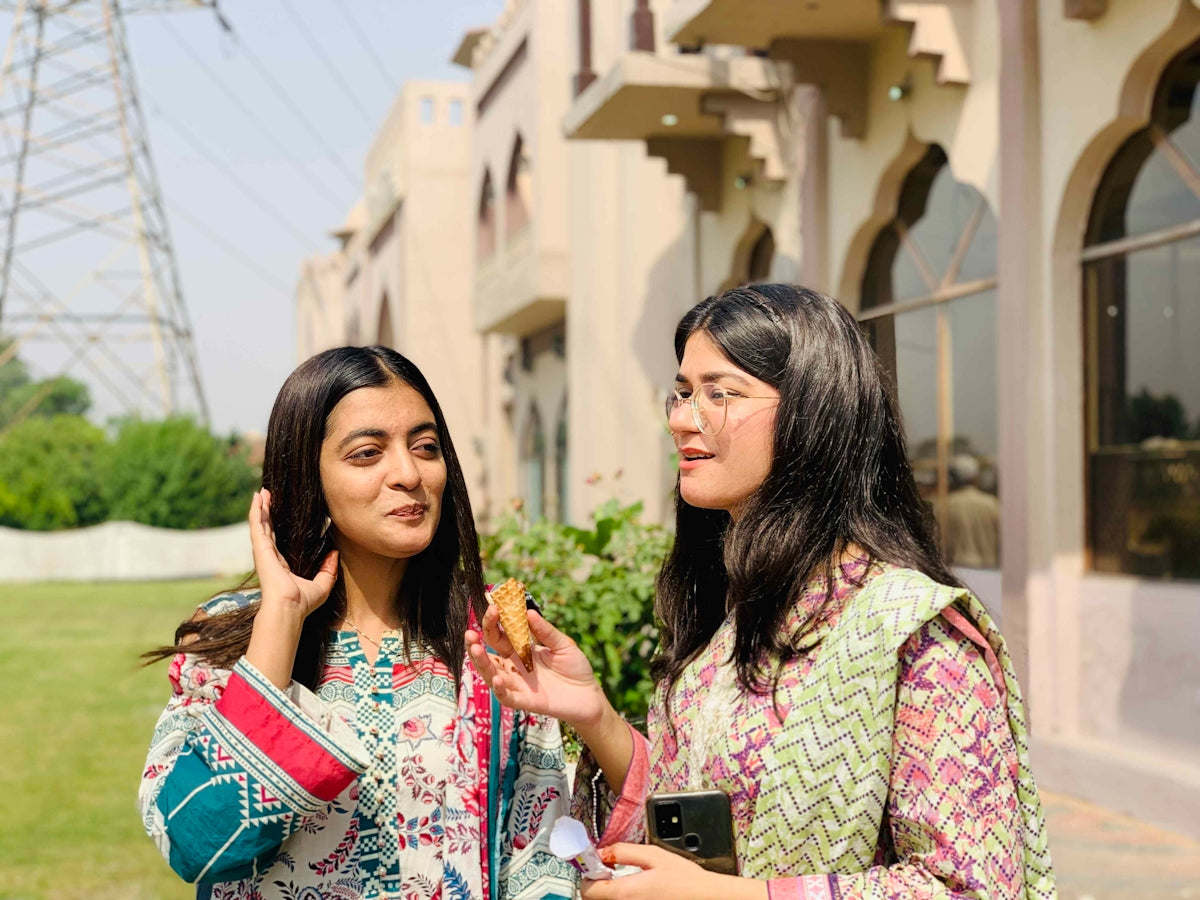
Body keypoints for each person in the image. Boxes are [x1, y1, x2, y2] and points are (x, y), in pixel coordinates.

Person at [468, 285, 1056, 899]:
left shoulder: (915, 632)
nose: (680, 418)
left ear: (813, 412)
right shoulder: (733, 613)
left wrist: (731, 897)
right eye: (683, 392)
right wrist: (595, 715)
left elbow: (974, 888)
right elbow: (704, 820)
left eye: (719, 393)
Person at [138, 346, 578, 900]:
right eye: (368, 453)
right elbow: (203, 845)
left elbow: (540, 856)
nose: (409, 474)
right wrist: (281, 620)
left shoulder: (491, 636)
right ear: (307, 476)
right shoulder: (227, 643)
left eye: (426, 447)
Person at [944, 454, 1002, 569]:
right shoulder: (991, 504)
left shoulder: (944, 506)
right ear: (976, 478)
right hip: (989, 571)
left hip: (956, 572)